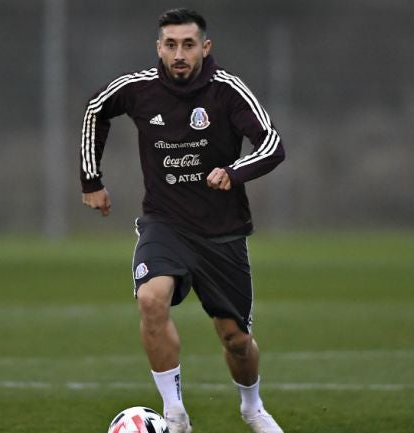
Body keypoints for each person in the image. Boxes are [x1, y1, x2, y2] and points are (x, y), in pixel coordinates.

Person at [80, 8, 285, 433]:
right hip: (164, 224)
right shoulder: (138, 88)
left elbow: (272, 144)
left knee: (236, 339)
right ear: (159, 47)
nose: (178, 53)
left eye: (188, 45)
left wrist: (234, 171)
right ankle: (174, 413)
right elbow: (96, 108)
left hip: (221, 232)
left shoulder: (227, 90)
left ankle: (251, 406)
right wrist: (91, 179)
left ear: (204, 48)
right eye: (170, 44)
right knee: (151, 300)